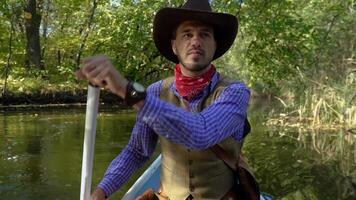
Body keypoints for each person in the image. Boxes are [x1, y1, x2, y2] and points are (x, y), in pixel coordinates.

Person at [75, 0, 258, 199]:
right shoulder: (155, 91)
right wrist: (101, 192)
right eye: (187, 34)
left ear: (215, 46)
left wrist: (126, 89)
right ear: (174, 46)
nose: (195, 41)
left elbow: (201, 133)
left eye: (204, 34)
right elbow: (137, 151)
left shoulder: (234, 92)